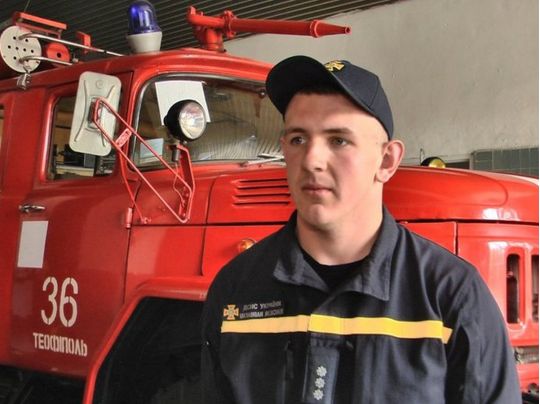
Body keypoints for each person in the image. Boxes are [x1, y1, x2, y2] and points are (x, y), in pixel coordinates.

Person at [201, 55, 521, 403]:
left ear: (387, 160)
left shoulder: (451, 296)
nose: (311, 160)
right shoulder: (236, 290)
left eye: (338, 140)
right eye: (298, 139)